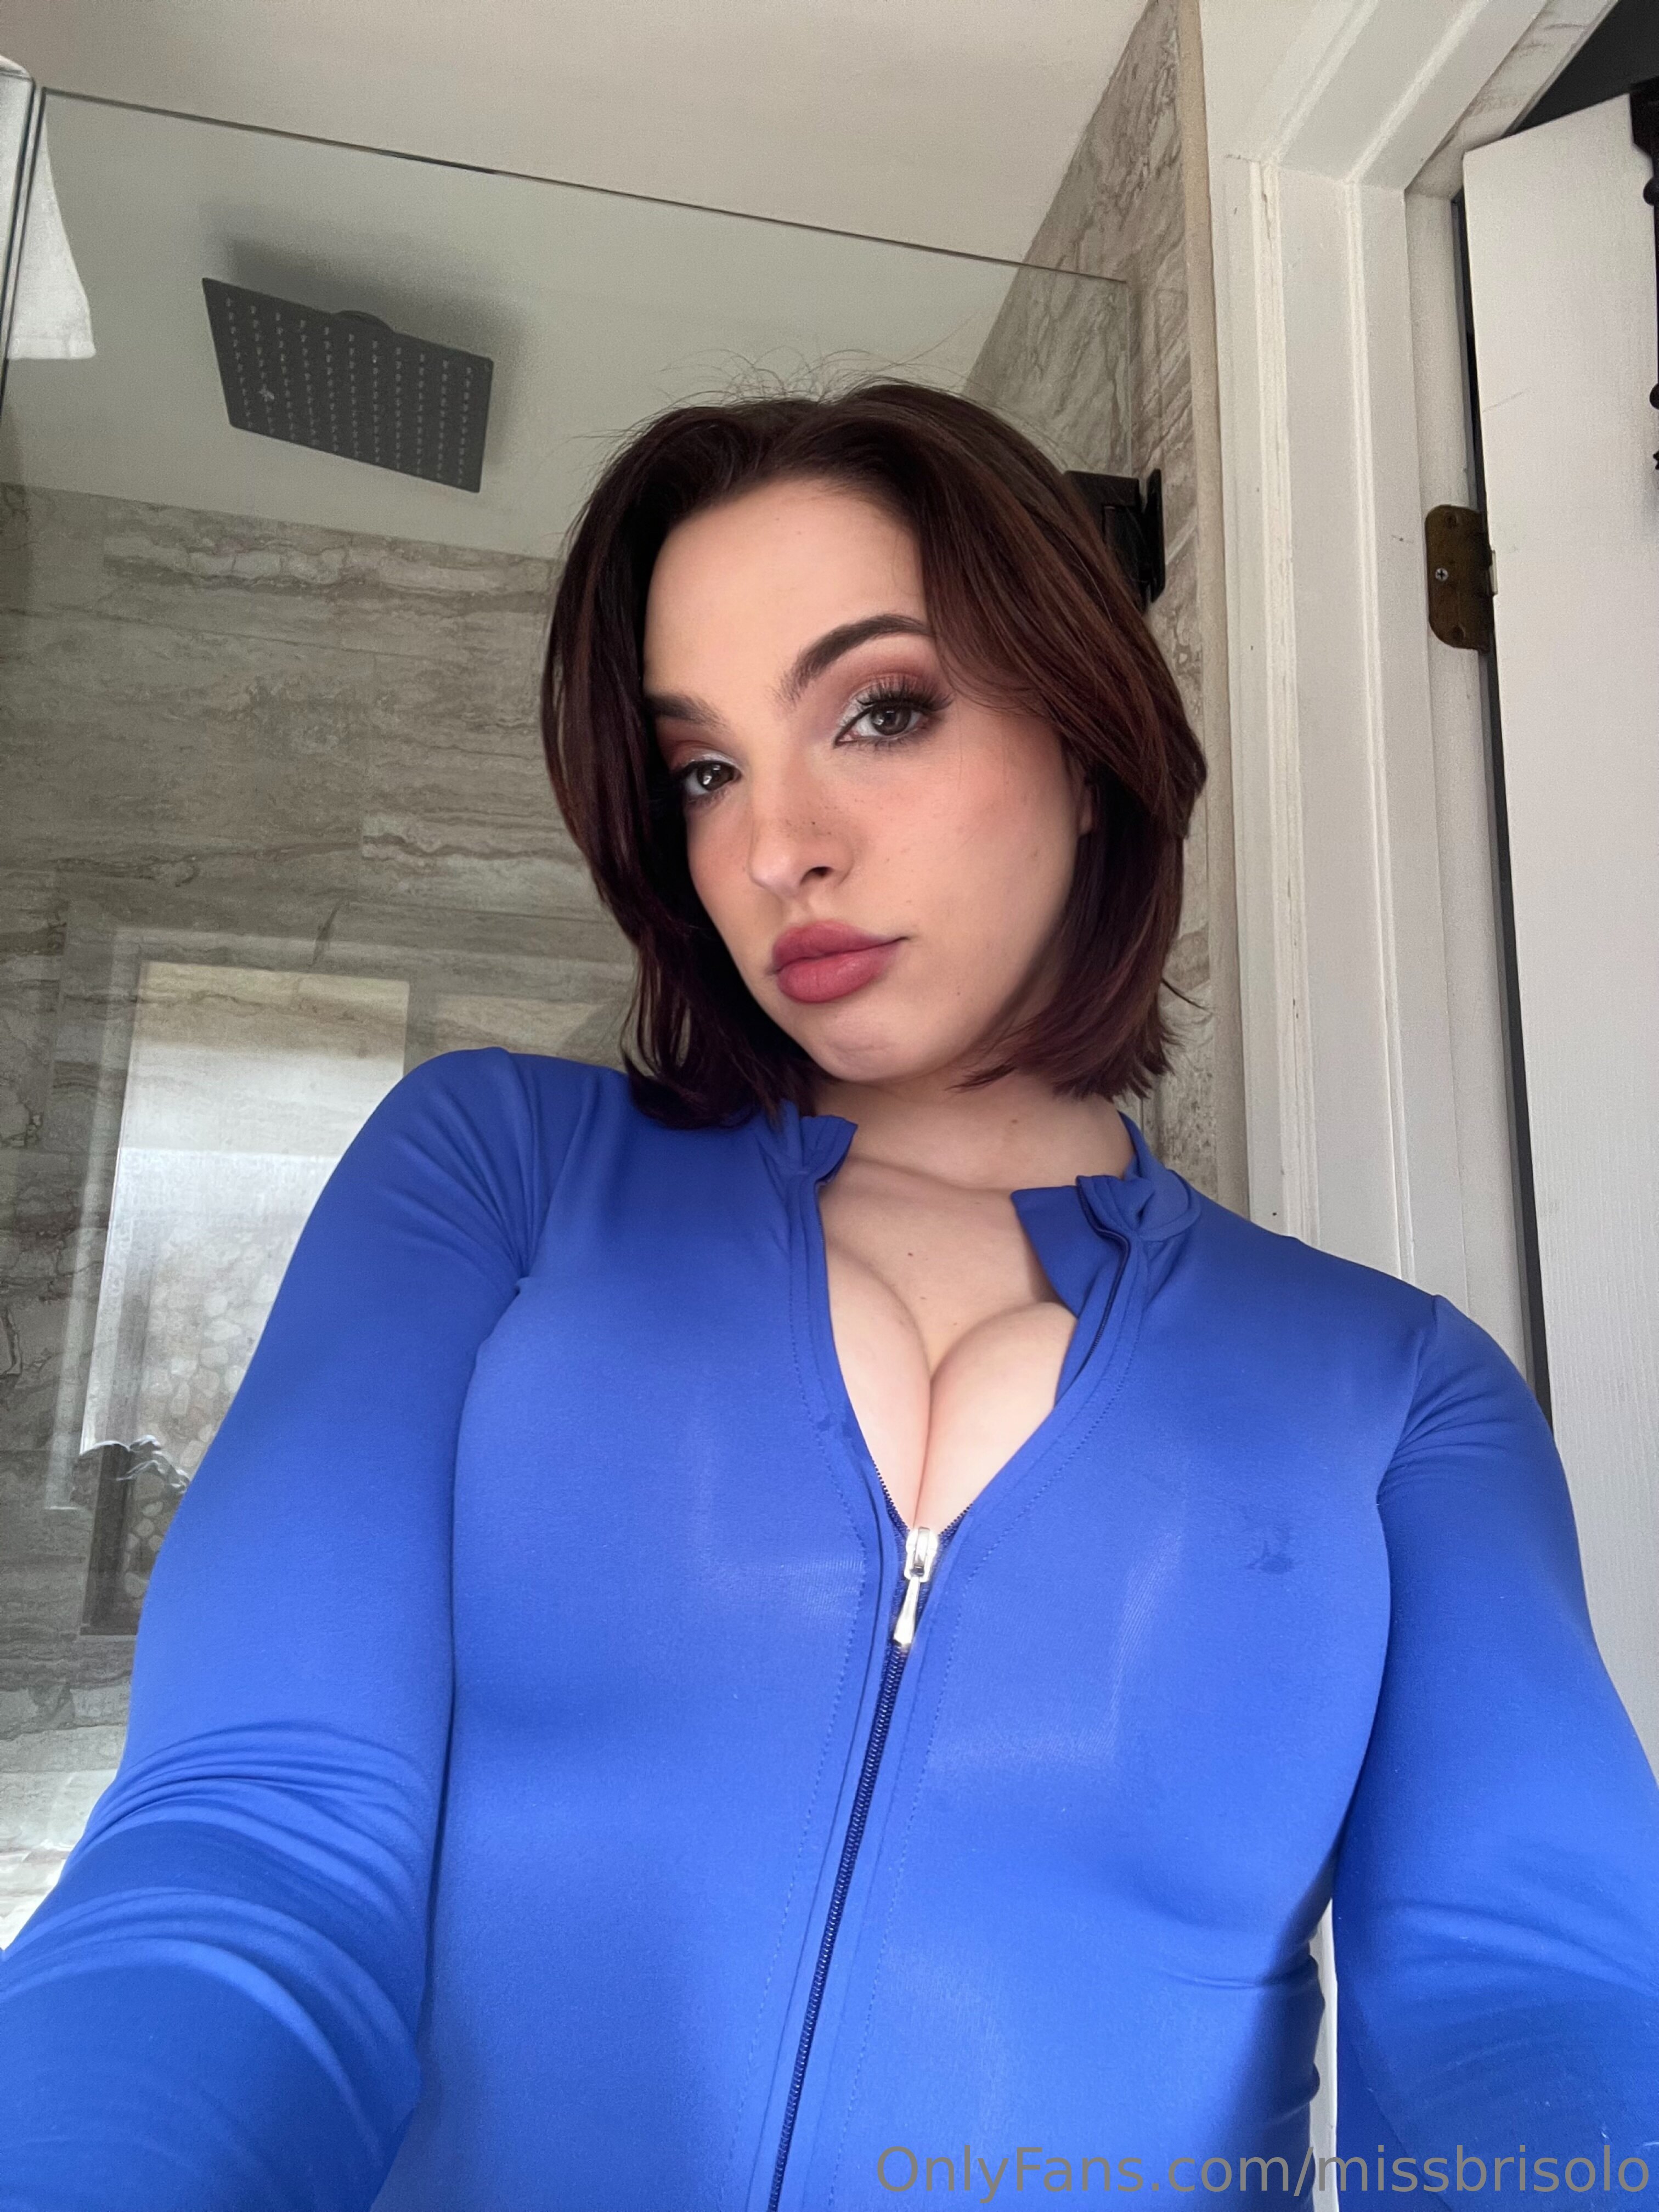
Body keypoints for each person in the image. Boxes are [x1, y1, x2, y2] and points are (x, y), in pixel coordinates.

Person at [2, 382, 1657, 2212]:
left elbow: (1534, 1996)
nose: (774, 845)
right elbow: (250, 1848)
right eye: (704, 770)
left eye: (881, 710)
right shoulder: (497, 1171)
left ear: (1087, 741)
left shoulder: (1400, 1390)